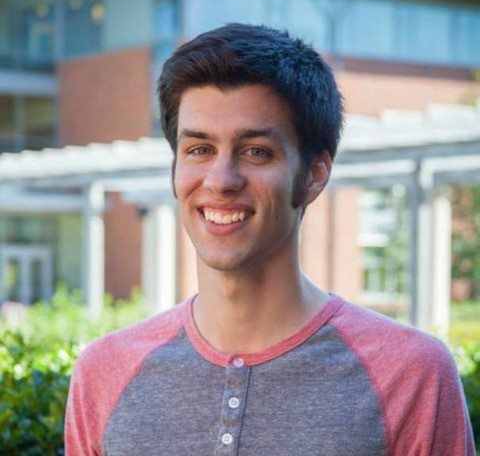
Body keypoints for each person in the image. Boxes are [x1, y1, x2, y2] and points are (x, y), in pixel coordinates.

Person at [65, 24, 475, 455]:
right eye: (199, 150)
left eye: (256, 151)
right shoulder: (104, 373)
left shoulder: (411, 374)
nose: (221, 180)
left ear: (314, 175)